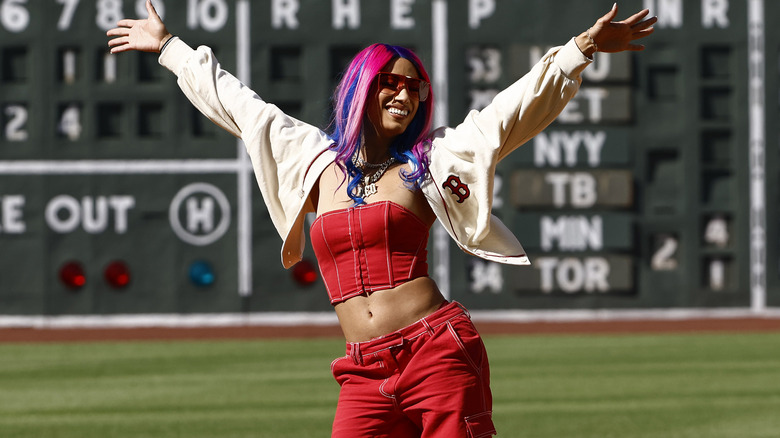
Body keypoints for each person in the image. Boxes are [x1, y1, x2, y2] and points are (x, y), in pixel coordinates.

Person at [108, 2, 655, 436]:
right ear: (361, 88)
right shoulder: (312, 158)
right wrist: (169, 47)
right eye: (390, 82)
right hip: (363, 369)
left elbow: (507, 116)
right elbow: (239, 103)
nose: (405, 93)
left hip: (436, 349)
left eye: (415, 87)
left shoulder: (429, 161)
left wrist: (578, 50)